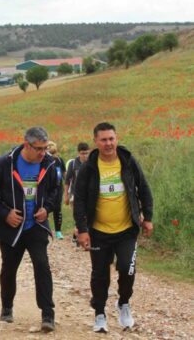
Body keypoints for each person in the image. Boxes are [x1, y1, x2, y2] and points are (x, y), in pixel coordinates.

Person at [73, 122, 153, 333]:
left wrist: (148, 217)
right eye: (104, 139)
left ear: (116, 139)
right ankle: (99, 313)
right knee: (100, 274)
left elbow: (143, 187)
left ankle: (123, 303)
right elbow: (79, 199)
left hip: (127, 230)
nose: (108, 143)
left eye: (111, 139)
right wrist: (82, 230)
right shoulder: (89, 167)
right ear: (96, 142)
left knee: (127, 268)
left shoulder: (127, 161)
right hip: (99, 232)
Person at [0, 126, 58, 333]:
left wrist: (47, 208)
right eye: (39, 148)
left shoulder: (49, 164)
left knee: (42, 266)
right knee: (9, 267)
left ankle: (47, 314)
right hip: (11, 227)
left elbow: (55, 190)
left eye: (45, 148)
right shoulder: (4, 164)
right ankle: (7, 307)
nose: (43, 153)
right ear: (26, 145)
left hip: (36, 226)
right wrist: (4, 213)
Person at [64, 142, 90, 245]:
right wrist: (65, 195)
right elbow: (67, 181)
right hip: (75, 195)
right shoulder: (73, 164)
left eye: (87, 153)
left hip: (89, 195)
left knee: (87, 216)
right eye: (83, 153)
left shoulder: (92, 163)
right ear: (78, 153)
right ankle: (77, 235)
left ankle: (82, 235)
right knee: (78, 215)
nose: (85, 156)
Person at [46, 141, 66, 240]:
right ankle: (45, 229)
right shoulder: (45, 161)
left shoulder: (59, 160)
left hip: (58, 188)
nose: (53, 155)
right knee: (46, 208)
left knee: (58, 209)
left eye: (54, 153)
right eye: (51, 153)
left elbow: (64, 173)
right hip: (48, 188)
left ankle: (58, 231)